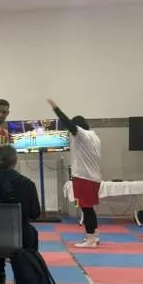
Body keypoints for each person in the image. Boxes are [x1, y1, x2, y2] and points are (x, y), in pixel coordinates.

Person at [47, 98, 102, 248]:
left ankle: (90, 239)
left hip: (84, 177)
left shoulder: (81, 134)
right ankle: (94, 235)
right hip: (94, 178)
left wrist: (56, 108)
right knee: (89, 208)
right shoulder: (95, 137)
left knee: (86, 209)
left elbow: (68, 124)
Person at [0, 144, 41, 280]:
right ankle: (26, 272)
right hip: (20, 235)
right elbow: (35, 213)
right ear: (15, 160)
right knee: (31, 231)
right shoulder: (28, 184)